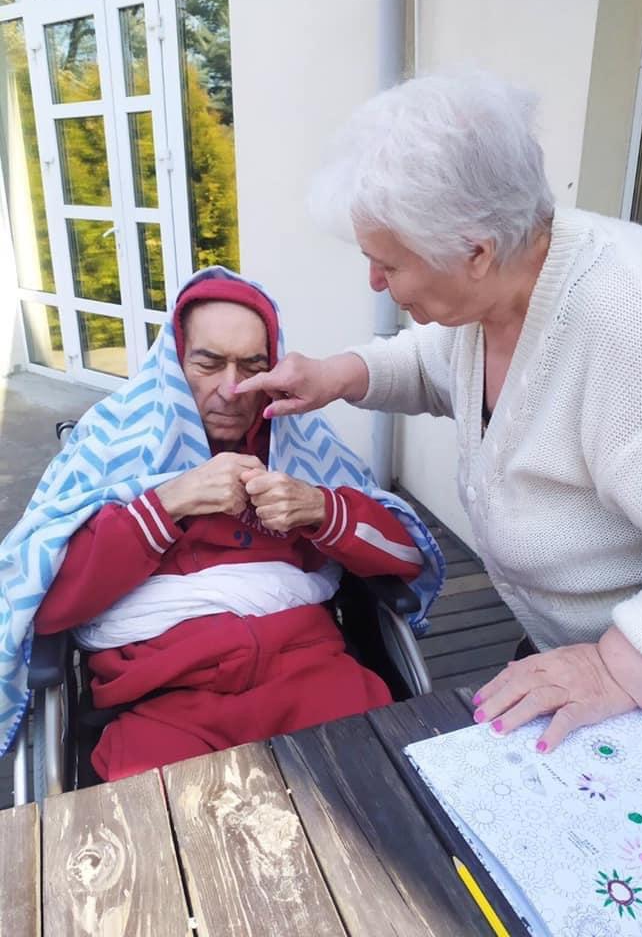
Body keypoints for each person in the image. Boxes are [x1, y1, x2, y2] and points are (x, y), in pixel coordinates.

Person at [237, 70, 642, 752]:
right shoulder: (501, 289)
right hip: (577, 650)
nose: (374, 282)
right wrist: (336, 375)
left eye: (388, 264)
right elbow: (439, 362)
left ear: (475, 252)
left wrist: (616, 665)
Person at [1, 268, 443, 780]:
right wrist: (167, 504)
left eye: (253, 367)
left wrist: (322, 509)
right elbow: (46, 600)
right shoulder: (115, 440)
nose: (231, 389)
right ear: (173, 363)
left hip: (310, 673)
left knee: (386, 791)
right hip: (162, 699)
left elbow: (405, 556)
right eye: (208, 363)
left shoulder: (299, 443)